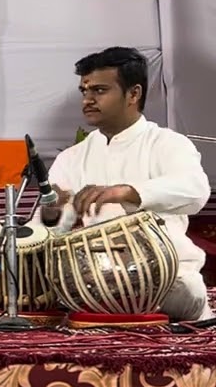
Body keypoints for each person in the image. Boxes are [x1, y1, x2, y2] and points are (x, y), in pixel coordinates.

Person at [29, 47, 211, 321]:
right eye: (84, 92)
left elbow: (196, 190)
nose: (87, 100)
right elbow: (50, 229)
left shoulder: (167, 143)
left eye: (99, 91)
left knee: (186, 293)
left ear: (133, 94)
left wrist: (127, 192)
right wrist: (52, 214)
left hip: (169, 280)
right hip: (98, 281)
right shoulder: (73, 157)